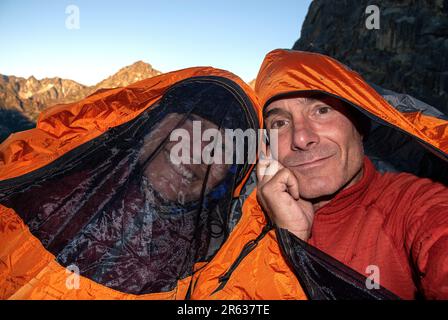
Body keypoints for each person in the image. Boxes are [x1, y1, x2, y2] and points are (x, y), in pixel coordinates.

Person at [189, 49, 448, 300]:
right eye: (280, 123)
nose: (301, 138)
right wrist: (287, 241)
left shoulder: (413, 202)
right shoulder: (242, 219)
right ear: (267, 147)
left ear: (360, 125)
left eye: (322, 110)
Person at [0, 68, 261, 299]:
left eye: (223, 147)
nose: (197, 150)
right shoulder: (40, 193)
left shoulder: (216, 266)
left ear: (228, 176)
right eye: (190, 124)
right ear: (149, 125)